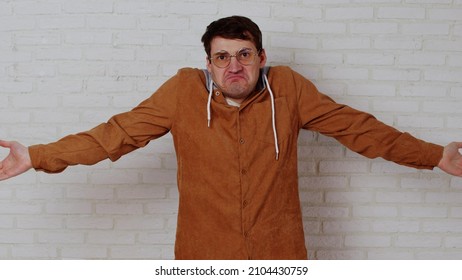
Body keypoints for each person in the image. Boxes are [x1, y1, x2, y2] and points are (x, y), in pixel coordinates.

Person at [0, 15, 462, 260]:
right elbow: (114, 135)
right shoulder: (181, 93)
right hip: (204, 255)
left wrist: (434, 155)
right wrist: (37, 155)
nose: (233, 66)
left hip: (279, 253)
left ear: (262, 57)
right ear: (209, 64)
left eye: (243, 54)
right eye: (222, 57)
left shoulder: (291, 89)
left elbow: (359, 128)